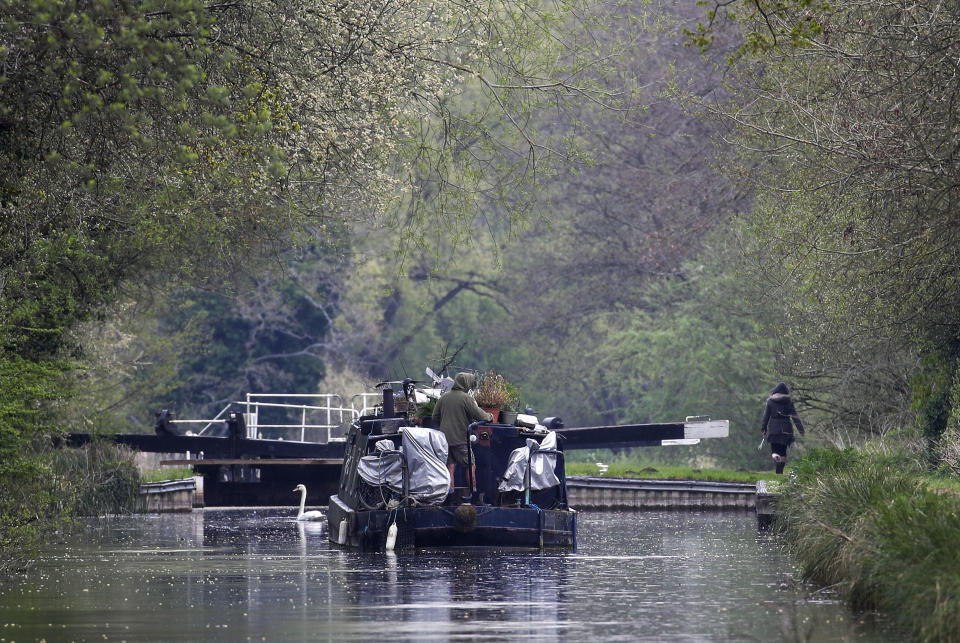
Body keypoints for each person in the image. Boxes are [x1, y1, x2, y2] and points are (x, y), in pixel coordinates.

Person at [432, 372, 493, 496]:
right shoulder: (466, 398)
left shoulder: (444, 397)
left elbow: (434, 417)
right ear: (465, 383)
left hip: (445, 440)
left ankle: (450, 494)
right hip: (461, 440)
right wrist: (490, 416)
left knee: (450, 466)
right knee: (471, 465)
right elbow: (480, 415)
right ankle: (473, 494)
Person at [761, 382, 805, 474]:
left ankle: (776, 459)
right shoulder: (788, 401)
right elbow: (795, 416)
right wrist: (800, 429)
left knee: (775, 450)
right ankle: (780, 470)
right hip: (786, 429)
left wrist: (764, 428)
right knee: (783, 451)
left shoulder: (770, 401)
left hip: (774, 428)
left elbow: (766, 417)